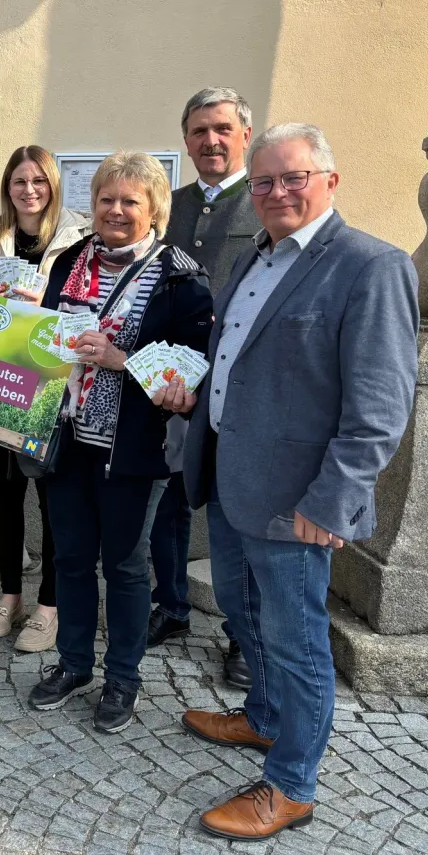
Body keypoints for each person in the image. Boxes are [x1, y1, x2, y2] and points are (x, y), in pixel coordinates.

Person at [166, 124, 418, 840]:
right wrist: (195, 394)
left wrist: (334, 498)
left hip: (298, 501)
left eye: (293, 177)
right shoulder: (256, 254)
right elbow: (240, 358)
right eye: (265, 181)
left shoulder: (372, 267)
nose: (277, 192)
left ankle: (292, 783)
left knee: (296, 639)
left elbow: (379, 406)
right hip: (232, 476)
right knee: (246, 618)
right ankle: (265, 717)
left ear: (329, 181)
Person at [27, 151, 213, 735]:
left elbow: (191, 368)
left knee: (127, 567)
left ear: (155, 208)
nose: (115, 210)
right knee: (73, 558)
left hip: (133, 448)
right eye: (106, 198)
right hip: (68, 437)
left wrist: (121, 359)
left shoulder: (179, 276)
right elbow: (49, 333)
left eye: (130, 201)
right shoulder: (71, 264)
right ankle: (75, 664)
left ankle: (123, 678)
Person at [149, 87, 257, 689]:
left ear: (243, 133)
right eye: (198, 132)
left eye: (221, 130)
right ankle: (171, 607)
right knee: (168, 502)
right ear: (185, 140)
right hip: (170, 378)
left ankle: (243, 638)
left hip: (235, 382)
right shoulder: (173, 203)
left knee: (233, 513)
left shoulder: (262, 198)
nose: (210, 142)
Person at [0, 146, 89, 651]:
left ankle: (50, 606)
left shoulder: (79, 239)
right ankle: (11, 594)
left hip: (55, 385)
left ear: (54, 185)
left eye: (39, 181)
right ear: (8, 187)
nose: (29, 190)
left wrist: (44, 305)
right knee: (5, 491)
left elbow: (88, 306)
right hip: (2, 379)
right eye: (20, 181)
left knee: (53, 498)